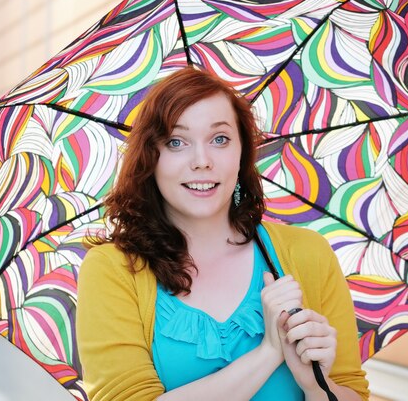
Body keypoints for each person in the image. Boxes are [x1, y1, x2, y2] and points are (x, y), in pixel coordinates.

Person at [76, 67, 369, 401]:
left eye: (220, 139)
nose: (202, 161)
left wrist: (316, 384)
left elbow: (352, 391)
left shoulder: (308, 254)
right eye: (176, 141)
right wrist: (268, 353)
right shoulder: (113, 270)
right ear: (150, 157)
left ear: (241, 151)